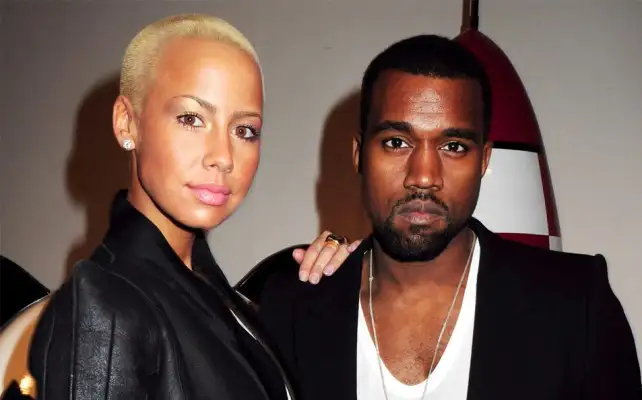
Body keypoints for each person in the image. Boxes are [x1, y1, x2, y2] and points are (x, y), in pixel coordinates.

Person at [259, 34, 642, 400]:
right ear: (359, 154)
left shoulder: (576, 307)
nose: (424, 176)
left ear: (484, 161)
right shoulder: (292, 309)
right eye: (397, 142)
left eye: (454, 146)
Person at [27, 13, 355, 400]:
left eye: (244, 130)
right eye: (191, 118)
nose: (223, 157)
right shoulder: (104, 308)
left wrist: (347, 276)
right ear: (127, 123)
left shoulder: (220, 297)